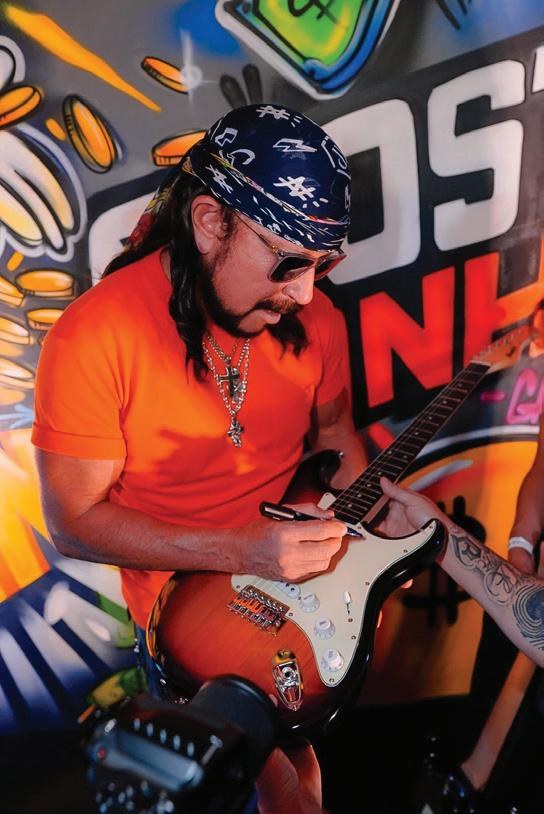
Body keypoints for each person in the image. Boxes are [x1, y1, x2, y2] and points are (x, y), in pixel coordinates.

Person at [31, 104, 366, 810]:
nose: (306, 291)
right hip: (184, 620)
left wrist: (367, 550)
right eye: (289, 261)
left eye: (323, 264)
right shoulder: (95, 336)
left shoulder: (316, 318)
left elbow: (337, 435)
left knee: (299, 789)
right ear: (211, 221)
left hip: (302, 598)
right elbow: (74, 523)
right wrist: (243, 549)